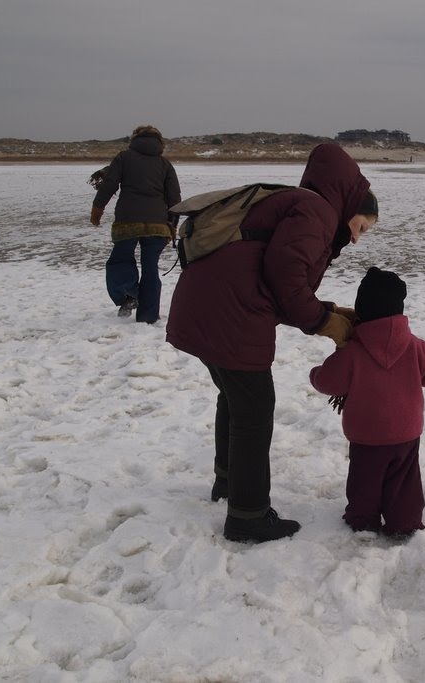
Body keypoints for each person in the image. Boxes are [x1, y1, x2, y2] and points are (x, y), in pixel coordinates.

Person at [166, 143, 378, 543]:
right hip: (231, 315)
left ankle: (228, 483)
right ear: (350, 206)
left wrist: (331, 310)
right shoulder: (318, 212)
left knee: (235, 398)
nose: (356, 240)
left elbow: (273, 279)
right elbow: (285, 277)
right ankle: (248, 516)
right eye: (362, 228)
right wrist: (325, 323)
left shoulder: (303, 205)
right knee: (255, 409)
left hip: (209, 308)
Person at [309, 267, 425, 538]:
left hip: (367, 435)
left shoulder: (353, 352)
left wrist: (314, 373)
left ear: (361, 311)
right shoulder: (415, 346)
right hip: (406, 432)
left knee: (365, 480)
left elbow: (327, 381)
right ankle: (404, 521)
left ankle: (363, 520)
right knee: (404, 481)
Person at [90, 125, 181, 323]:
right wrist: (172, 226)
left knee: (120, 260)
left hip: (127, 221)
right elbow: (174, 198)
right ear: (159, 142)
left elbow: (109, 184)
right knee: (150, 268)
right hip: (158, 224)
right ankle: (148, 316)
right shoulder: (165, 164)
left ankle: (129, 294)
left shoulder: (123, 157)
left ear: (134, 139)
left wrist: (97, 208)